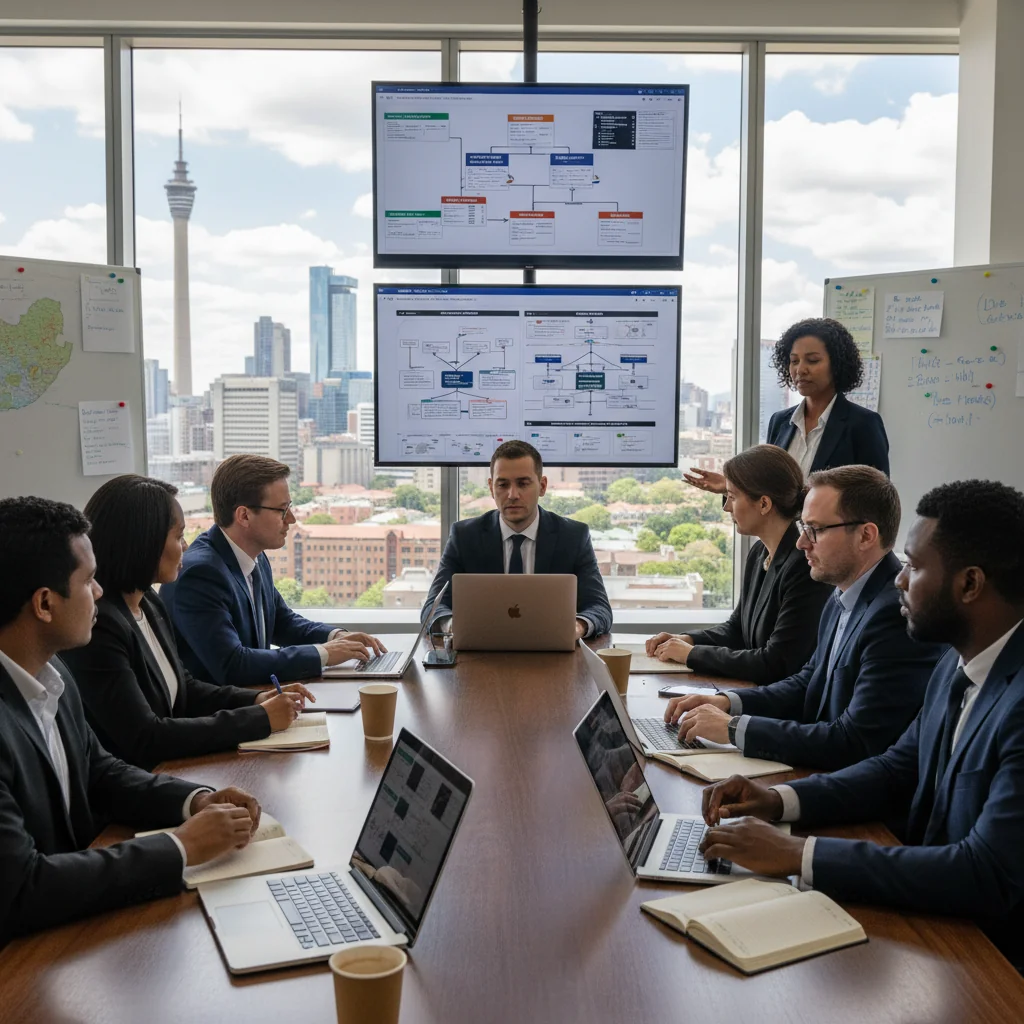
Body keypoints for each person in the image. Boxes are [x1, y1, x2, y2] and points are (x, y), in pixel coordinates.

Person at [697, 480, 1024, 973]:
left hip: (992, 961)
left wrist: (800, 853)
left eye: (914, 566)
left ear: (970, 584)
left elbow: (985, 873)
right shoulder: (958, 663)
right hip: (935, 922)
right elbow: (898, 768)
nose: (898, 580)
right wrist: (780, 801)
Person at [0, 496, 264, 945]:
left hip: (68, 929)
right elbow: (23, 887)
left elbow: (100, 771)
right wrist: (182, 846)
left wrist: (195, 801)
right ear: (45, 604)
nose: (99, 592)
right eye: (87, 582)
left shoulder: (52, 672)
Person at [664, 466, 944, 770]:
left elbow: (855, 741)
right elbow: (808, 681)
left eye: (816, 530)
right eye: (803, 528)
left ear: (866, 535)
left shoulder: (894, 616)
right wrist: (728, 703)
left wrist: (735, 729)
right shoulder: (841, 595)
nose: (801, 543)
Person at [62, 476, 314, 770]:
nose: (185, 545)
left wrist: (256, 699)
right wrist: (259, 719)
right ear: (145, 542)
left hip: (173, 771)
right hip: (139, 789)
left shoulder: (148, 603)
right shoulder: (101, 626)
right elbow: (146, 736)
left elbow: (186, 690)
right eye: (178, 536)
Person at [160, 454, 385, 686]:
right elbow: (232, 665)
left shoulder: (254, 555)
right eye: (281, 510)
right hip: (219, 714)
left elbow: (280, 621)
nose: (292, 518)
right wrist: (324, 654)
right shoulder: (200, 574)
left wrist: (336, 637)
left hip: (256, 700)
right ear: (244, 516)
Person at [644, 445, 831, 684]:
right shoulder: (759, 552)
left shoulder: (803, 566)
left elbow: (777, 661)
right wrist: (686, 640)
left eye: (732, 497)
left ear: (764, 504)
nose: (726, 507)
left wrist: (692, 654)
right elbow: (737, 628)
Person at [421, 440, 612, 638]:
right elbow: (432, 608)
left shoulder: (572, 536)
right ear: (490, 487)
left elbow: (599, 608)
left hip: (552, 655)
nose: (512, 495)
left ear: (543, 486)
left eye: (523, 483)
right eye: (502, 484)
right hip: (481, 655)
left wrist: (576, 627)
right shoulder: (464, 536)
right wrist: (452, 626)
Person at [684, 318, 889, 496]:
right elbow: (771, 487)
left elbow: (876, 500)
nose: (800, 369)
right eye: (794, 361)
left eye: (813, 360)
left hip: (832, 540)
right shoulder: (780, 421)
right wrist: (729, 486)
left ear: (837, 364)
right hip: (781, 539)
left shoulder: (863, 424)